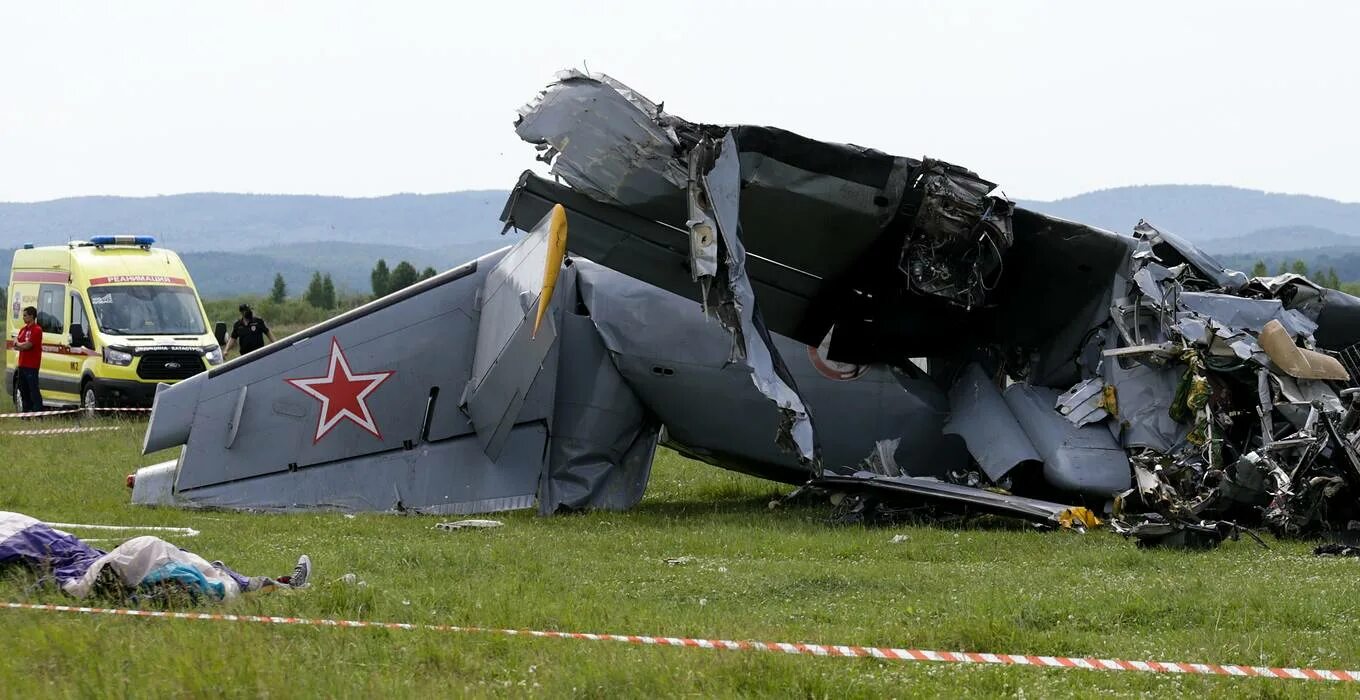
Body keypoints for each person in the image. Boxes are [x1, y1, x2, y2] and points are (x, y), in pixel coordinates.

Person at [0, 511, 311, 603]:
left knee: (176, 553)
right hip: (85, 573)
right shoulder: (14, 544)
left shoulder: (17, 525)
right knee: (152, 548)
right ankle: (190, 589)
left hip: (95, 561)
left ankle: (267, 585)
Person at [14, 306, 43, 412]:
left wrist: (20, 345)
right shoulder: (23, 329)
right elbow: (16, 343)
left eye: (25, 315)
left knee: (33, 391)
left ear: (31, 316)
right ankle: (26, 413)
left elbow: (28, 345)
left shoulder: (37, 330)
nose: (23, 318)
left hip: (32, 366)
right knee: (23, 391)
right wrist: (19, 344)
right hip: (22, 364)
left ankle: (38, 412)